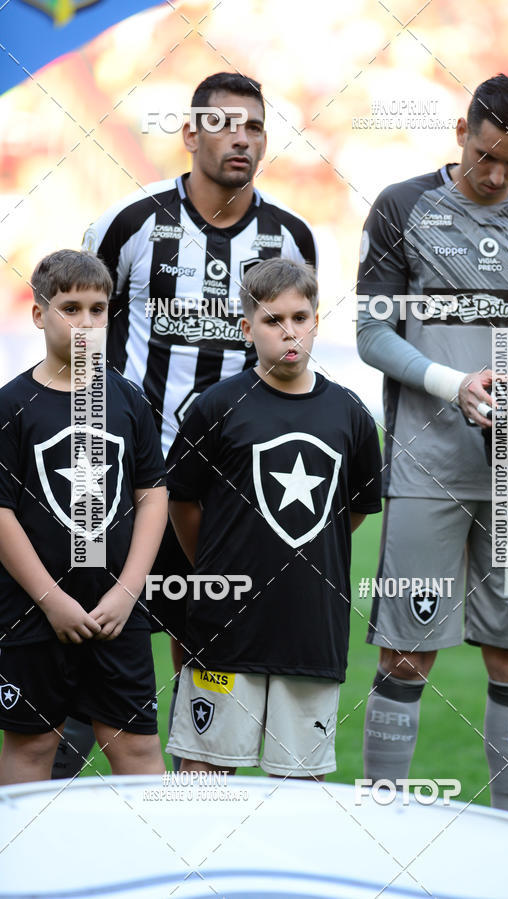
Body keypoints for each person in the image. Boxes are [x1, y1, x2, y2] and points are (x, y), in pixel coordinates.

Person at [53, 71, 318, 777]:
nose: (242, 137)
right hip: (120, 485)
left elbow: (290, 364)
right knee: (89, 645)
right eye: (225, 122)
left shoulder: (289, 237)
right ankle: (48, 821)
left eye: (255, 126)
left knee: (210, 657)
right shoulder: (129, 224)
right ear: (191, 131)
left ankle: (193, 825)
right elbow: (81, 342)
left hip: (228, 492)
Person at [357, 74, 508, 813]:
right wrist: (450, 383)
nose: (496, 175)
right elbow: (370, 333)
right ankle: (385, 822)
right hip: (426, 468)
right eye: (486, 155)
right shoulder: (404, 207)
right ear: (462, 129)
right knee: (406, 652)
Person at [165, 258, 381, 778]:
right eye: (272, 320)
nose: (289, 331)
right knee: (204, 772)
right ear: (246, 328)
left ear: (316, 320)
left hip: (311, 630)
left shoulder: (350, 414)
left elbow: (349, 513)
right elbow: (183, 503)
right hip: (225, 626)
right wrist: (217, 566)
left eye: (300, 317)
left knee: (300, 788)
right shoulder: (216, 406)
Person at [0, 249, 167, 783]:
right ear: (39, 313)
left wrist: (127, 592)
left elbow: (152, 496)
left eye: (98, 309)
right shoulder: (12, 405)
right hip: (31, 613)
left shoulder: (127, 400)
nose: (86, 322)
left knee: (137, 751)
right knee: (31, 748)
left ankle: (162, 867)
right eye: (70, 308)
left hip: (117, 611)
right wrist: (51, 601)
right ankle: (22, 867)